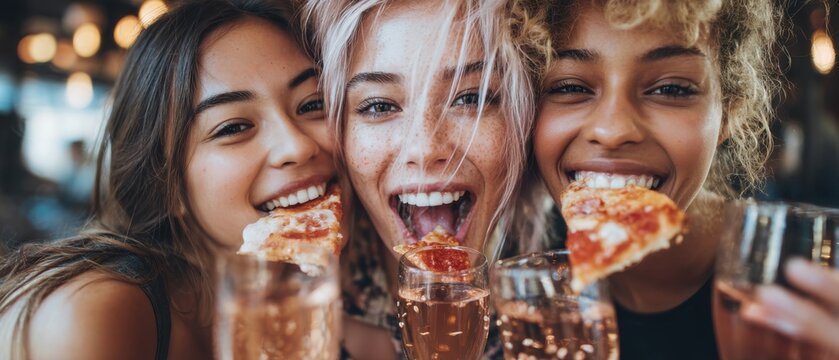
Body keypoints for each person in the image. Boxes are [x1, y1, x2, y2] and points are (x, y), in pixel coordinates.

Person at [0, 0, 340, 358]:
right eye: (235, 127)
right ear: (167, 183)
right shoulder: (98, 310)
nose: (298, 146)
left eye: (312, 104)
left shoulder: (333, 288)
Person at [531, 0, 790, 359]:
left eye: (671, 89)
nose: (613, 130)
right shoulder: (510, 272)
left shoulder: (802, 281)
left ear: (730, 110)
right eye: (568, 87)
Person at [302, 0, 547, 358]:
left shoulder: (581, 289)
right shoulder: (291, 312)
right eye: (379, 106)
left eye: (470, 98)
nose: (425, 147)